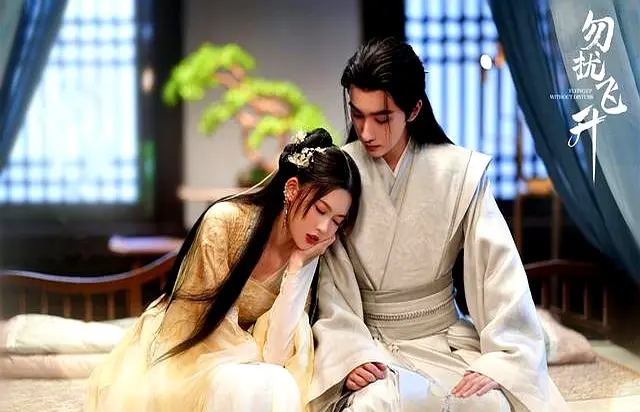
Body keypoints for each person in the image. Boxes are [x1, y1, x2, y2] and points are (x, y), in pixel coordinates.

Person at [308, 37, 568, 412]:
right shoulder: (341, 174)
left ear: (414, 109)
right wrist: (348, 353)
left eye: (382, 118)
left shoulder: (460, 172)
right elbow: (331, 285)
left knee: (486, 403)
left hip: (444, 340)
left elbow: (499, 271)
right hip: (370, 344)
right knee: (373, 405)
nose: (366, 132)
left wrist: (504, 359)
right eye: (357, 115)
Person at [84, 128, 362, 412]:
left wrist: (296, 268)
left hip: (247, 364)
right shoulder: (225, 223)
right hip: (185, 346)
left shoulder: (309, 251)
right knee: (255, 385)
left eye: (337, 221)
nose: (324, 228)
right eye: (320, 210)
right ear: (292, 189)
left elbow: (277, 356)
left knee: (276, 384)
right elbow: (197, 320)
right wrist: (253, 357)